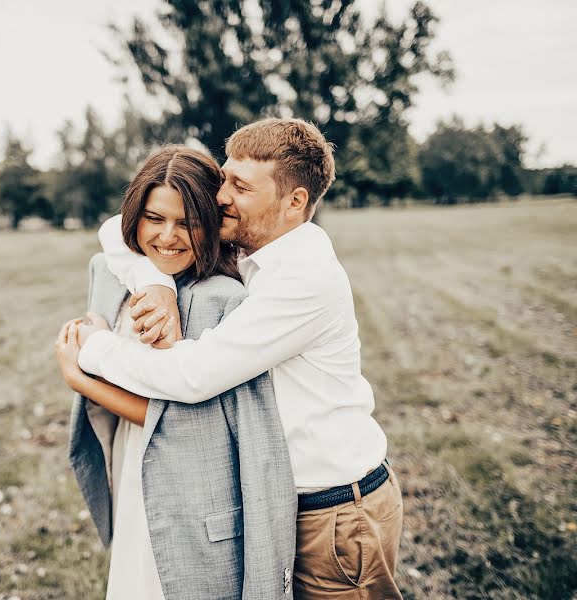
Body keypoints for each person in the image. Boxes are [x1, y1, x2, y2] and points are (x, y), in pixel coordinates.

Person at [75, 118, 404, 599]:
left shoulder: (303, 279)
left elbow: (191, 375)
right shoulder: (256, 248)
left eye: (240, 187)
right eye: (225, 177)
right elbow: (117, 228)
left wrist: (91, 350)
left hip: (333, 510)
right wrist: (157, 283)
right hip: (281, 501)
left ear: (295, 202)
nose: (220, 196)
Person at [54, 146, 297, 600]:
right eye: (154, 217)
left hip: (190, 492)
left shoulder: (221, 300)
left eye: (187, 222)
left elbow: (190, 422)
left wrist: (81, 377)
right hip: (132, 465)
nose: (168, 236)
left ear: (212, 224)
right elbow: (112, 240)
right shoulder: (115, 272)